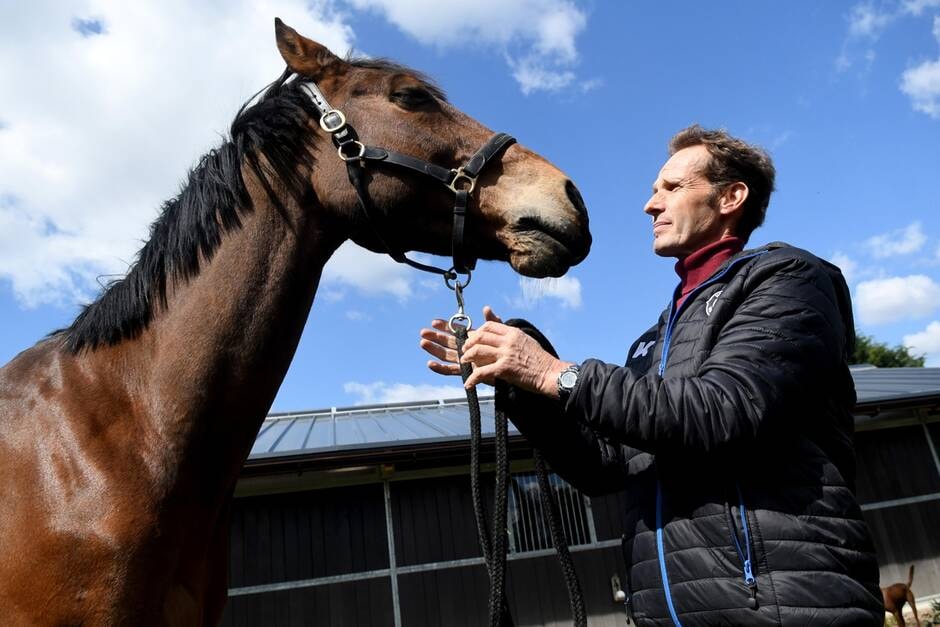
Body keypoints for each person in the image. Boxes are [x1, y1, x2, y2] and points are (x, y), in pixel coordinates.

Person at [419, 125, 884, 626]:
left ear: (731, 196)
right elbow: (605, 466)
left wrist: (552, 371)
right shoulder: (656, 337)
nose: (649, 205)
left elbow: (722, 409)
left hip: (785, 607)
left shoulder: (788, 279)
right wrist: (523, 386)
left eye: (671, 187)